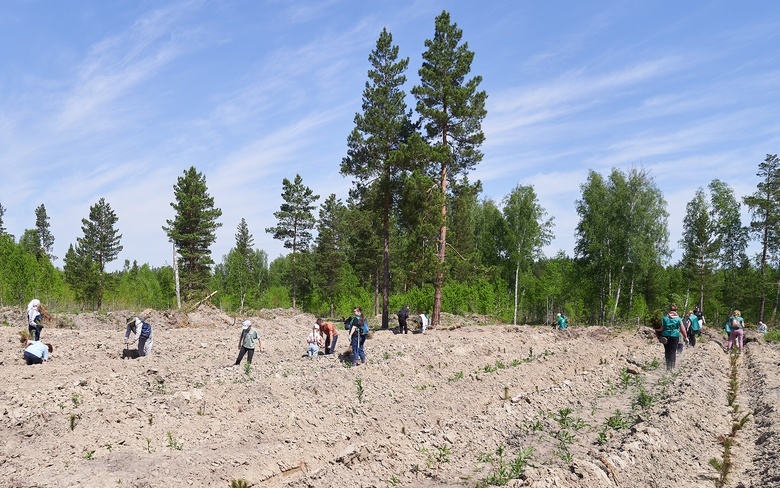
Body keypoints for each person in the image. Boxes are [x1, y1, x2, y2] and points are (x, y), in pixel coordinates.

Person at [655, 304, 688, 371]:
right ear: (676, 310)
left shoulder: (664, 318)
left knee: (667, 351)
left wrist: (656, 329)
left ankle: (668, 368)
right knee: (673, 352)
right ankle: (672, 368)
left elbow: (661, 328)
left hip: (665, 336)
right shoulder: (678, 319)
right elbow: (682, 329)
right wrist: (686, 337)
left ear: (669, 310)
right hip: (674, 336)